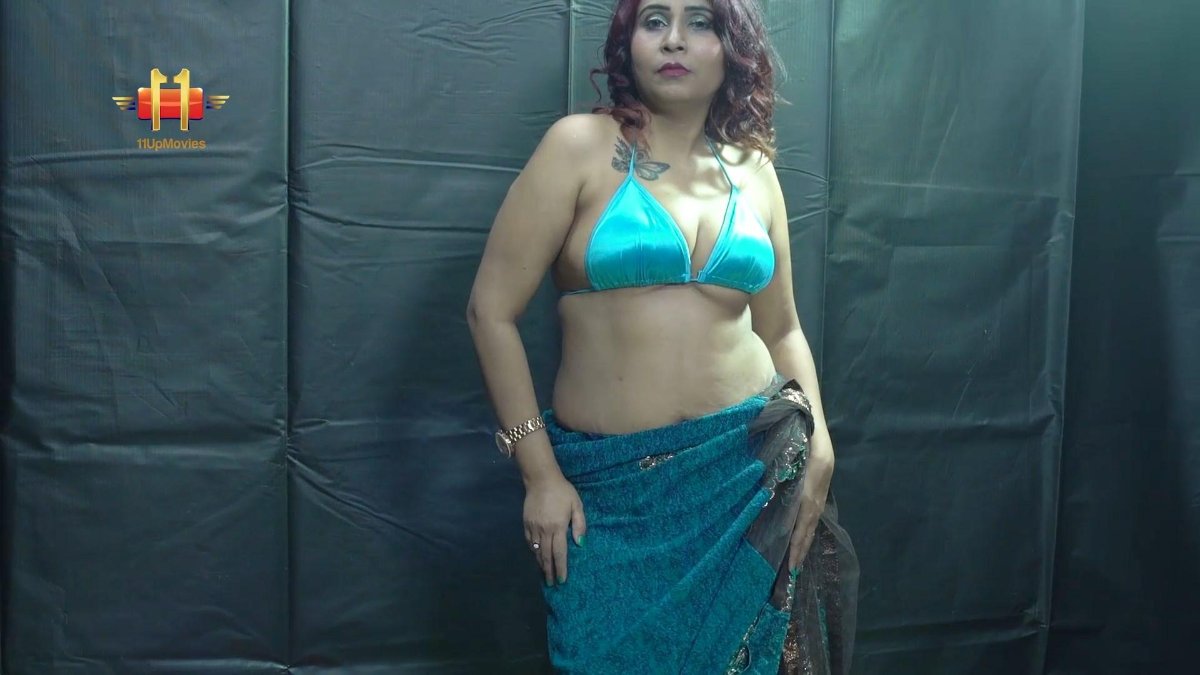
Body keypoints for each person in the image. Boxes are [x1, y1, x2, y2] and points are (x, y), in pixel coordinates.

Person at [465, 0, 858, 671]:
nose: (674, 39)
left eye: (699, 21)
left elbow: (782, 327)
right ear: (629, 44)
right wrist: (540, 474)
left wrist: (819, 439)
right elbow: (489, 311)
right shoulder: (579, 147)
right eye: (654, 20)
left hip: (751, 480)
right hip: (614, 498)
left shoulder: (754, 171)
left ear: (731, 46)